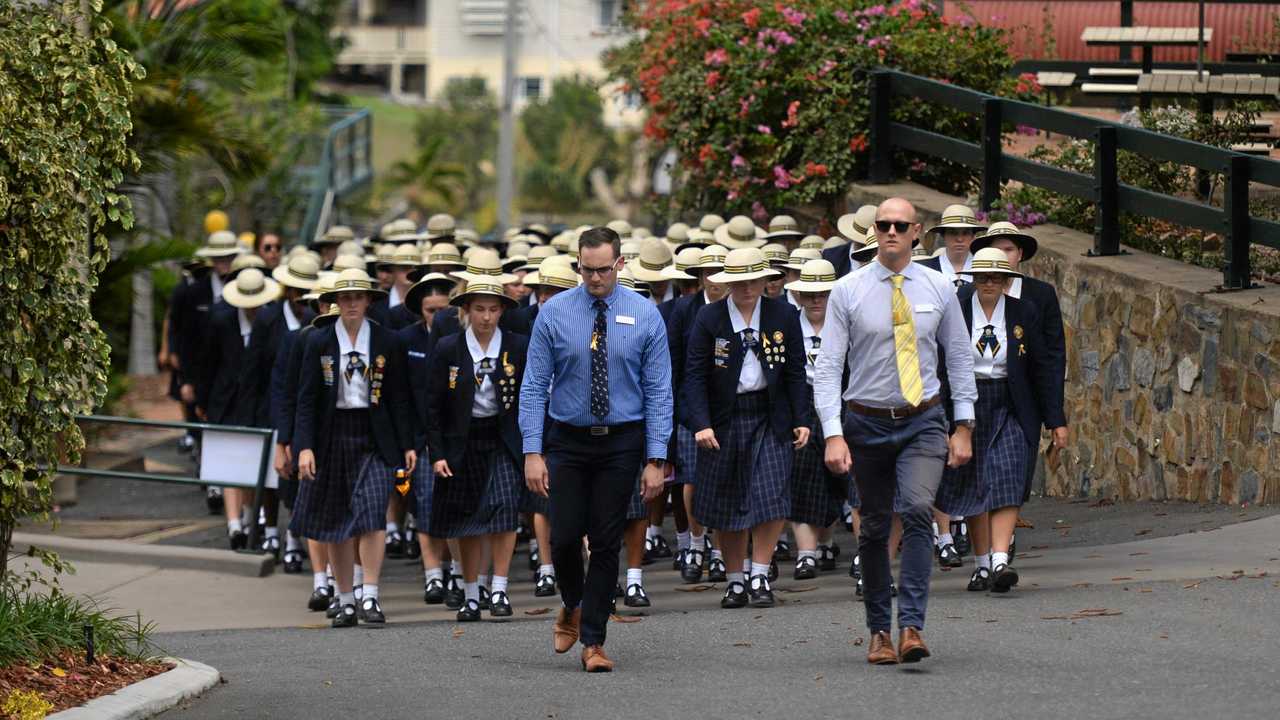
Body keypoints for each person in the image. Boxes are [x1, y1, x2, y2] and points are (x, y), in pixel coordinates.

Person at [814, 198, 976, 665]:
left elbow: (960, 357)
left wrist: (963, 425)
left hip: (923, 417)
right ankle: (878, 630)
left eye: (899, 225)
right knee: (875, 524)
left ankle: (911, 626)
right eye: (883, 224)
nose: (889, 231)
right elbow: (828, 368)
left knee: (919, 507)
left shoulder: (939, 288)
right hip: (864, 420)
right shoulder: (847, 290)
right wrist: (833, 433)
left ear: (916, 232)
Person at [520, 226, 672, 673]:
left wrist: (655, 458)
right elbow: (532, 387)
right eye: (586, 270)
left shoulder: (645, 315)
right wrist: (533, 450)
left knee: (606, 541)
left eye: (603, 269)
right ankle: (572, 602)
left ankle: (594, 641)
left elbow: (659, 390)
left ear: (619, 264)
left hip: (622, 438)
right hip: (567, 438)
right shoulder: (554, 314)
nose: (594, 278)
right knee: (564, 537)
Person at [684, 247, 810, 609]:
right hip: (725, 419)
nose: (747, 288)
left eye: (754, 280)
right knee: (729, 500)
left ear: (764, 281)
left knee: (771, 495)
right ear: (728, 284)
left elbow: (796, 372)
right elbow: (693, 376)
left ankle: (760, 573)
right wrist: (701, 424)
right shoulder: (709, 318)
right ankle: (735, 579)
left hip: (771, 416)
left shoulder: (784, 314)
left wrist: (801, 418)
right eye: (739, 282)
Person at [293, 268, 417, 628]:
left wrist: (407, 444)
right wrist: (304, 447)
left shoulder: (387, 341)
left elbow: (400, 399)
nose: (350, 304)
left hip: (374, 435)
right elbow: (306, 401)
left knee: (373, 513)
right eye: (344, 298)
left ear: (368, 301)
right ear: (335, 302)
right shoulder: (317, 341)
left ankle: (371, 595)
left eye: (357, 297)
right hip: (331, 436)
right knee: (337, 520)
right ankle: (345, 598)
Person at [934, 247, 1057, 593]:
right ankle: (982, 562)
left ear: (1007, 280)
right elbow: (940, 365)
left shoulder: (1024, 312)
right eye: (982, 276)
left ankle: (1001, 559)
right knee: (975, 484)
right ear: (972, 279)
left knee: (1007, 474)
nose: (989, 282)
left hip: (1012, 404)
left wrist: (1055, 419)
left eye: (996, 277)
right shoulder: (955, 310)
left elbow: (1042, 368)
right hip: (967, 402)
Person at [426, 279, 528, 621]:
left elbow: (530, 399)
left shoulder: (517, 346)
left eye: (494, 309)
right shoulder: (447, 348)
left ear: (502, 311)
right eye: (479, 309)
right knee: (467, 519)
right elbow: (433, 406)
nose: (486, 317)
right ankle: (471, 593)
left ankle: (498, 588)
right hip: (461, 440)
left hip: (503, 437)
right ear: (466, 310)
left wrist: (533, 447)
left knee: (505, 510)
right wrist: (436, 452)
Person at [970, 221, 1069, 546]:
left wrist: (1055, 417)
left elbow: (1050, 360)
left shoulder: (1039, 296)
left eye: (1008, 249)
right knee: (979, 475)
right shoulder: (963, 299)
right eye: (994, 248)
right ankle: (990, 550)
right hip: (975, 398)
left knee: (1012, 471)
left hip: (1020, 402)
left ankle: (1003, 536)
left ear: (1020, 254)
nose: (1002, 255)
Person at [507, 262, 579, 598]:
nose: (548, 298)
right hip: (542, 416)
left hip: (574, 417)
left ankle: (586, 568)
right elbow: (528, 385)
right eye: (544, 291)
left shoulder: (584, 321)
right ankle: (546, 568)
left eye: (557, 292)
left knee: (582, 498)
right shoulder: (525, 324)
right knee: (541, 498)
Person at [243, 254, 320, 566]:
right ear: (288, 289)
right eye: (296, 290)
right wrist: (253, 416)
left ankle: (293, 536)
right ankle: (272, 529)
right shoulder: (268, 319)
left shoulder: (317, 319)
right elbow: (255, 369)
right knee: (277, 474)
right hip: (271, 404)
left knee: (299, 478)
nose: (301, 298)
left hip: (304, 407)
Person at [197, 268, 281, 550]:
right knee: (229, 463)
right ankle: (235, 525)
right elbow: (207, 363)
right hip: (227, 402)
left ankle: (250, 516)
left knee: (252, 462)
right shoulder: (221, 321)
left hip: (259, 403)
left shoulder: (272, 322)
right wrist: (202, 401)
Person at [782, 259, 850, 580]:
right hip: (801, 403)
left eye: (823, 293)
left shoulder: (847, 324)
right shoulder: (788, 325)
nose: (816, 299)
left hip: (840, 402)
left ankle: (826, 540)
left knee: (836, 476)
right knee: (801, 476)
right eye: (810, 294)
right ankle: (806, 554)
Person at [667, 245, 731, 583]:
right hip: (691, 405)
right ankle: (694, 544)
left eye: (721, 274)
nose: (715, 281)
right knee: (690, 478)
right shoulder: (683, 309)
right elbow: (675, 365)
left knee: (723, 480)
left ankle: (720, 550)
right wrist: (682, 411)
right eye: (708, 274)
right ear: (700, 277)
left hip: (728, 407)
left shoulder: (738, 309)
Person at [398, 271, 456, 604]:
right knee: (423, 503)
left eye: (441, 309)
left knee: (451, 506)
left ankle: (452, 569)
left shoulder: (458, 338)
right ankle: (432, 573)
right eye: (430, 309)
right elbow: (402, 395)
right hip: (419, 438)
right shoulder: (407, 340)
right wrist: (409, 443)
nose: (435, 315)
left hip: (452, 436)